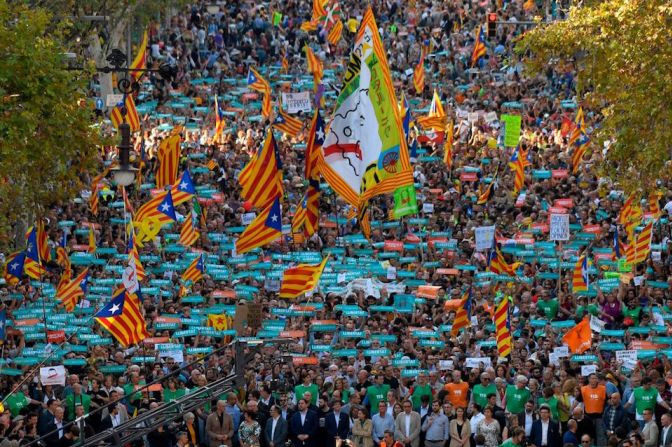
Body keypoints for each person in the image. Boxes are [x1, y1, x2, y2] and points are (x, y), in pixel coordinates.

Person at [581, 373, 607, 446]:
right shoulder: (583, 389)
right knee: (589, 435)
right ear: (589, 379)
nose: (594, 380)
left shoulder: (603, 388)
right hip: (588, 417)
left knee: (600, 435)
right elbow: (578, 400)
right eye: (592, 378)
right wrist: (571, 410)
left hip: (599, 416)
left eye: (595, 378)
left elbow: (607, 400)